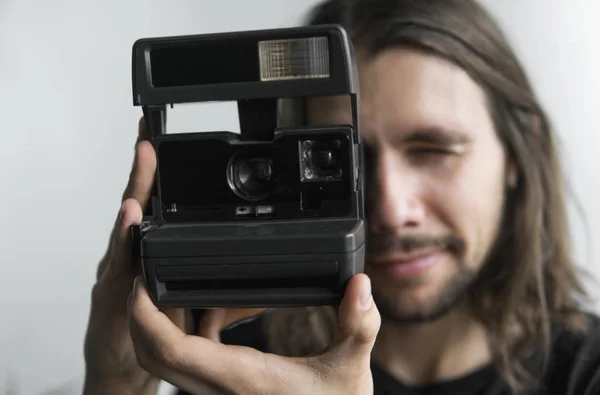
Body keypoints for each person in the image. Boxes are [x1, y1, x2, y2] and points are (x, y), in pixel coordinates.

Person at [82, 0, 600, 394]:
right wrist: (117, 385)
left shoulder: (586, 371)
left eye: (432, 150)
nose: (392, 210)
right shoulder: (230, 357)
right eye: (343, 160)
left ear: (517, 152)